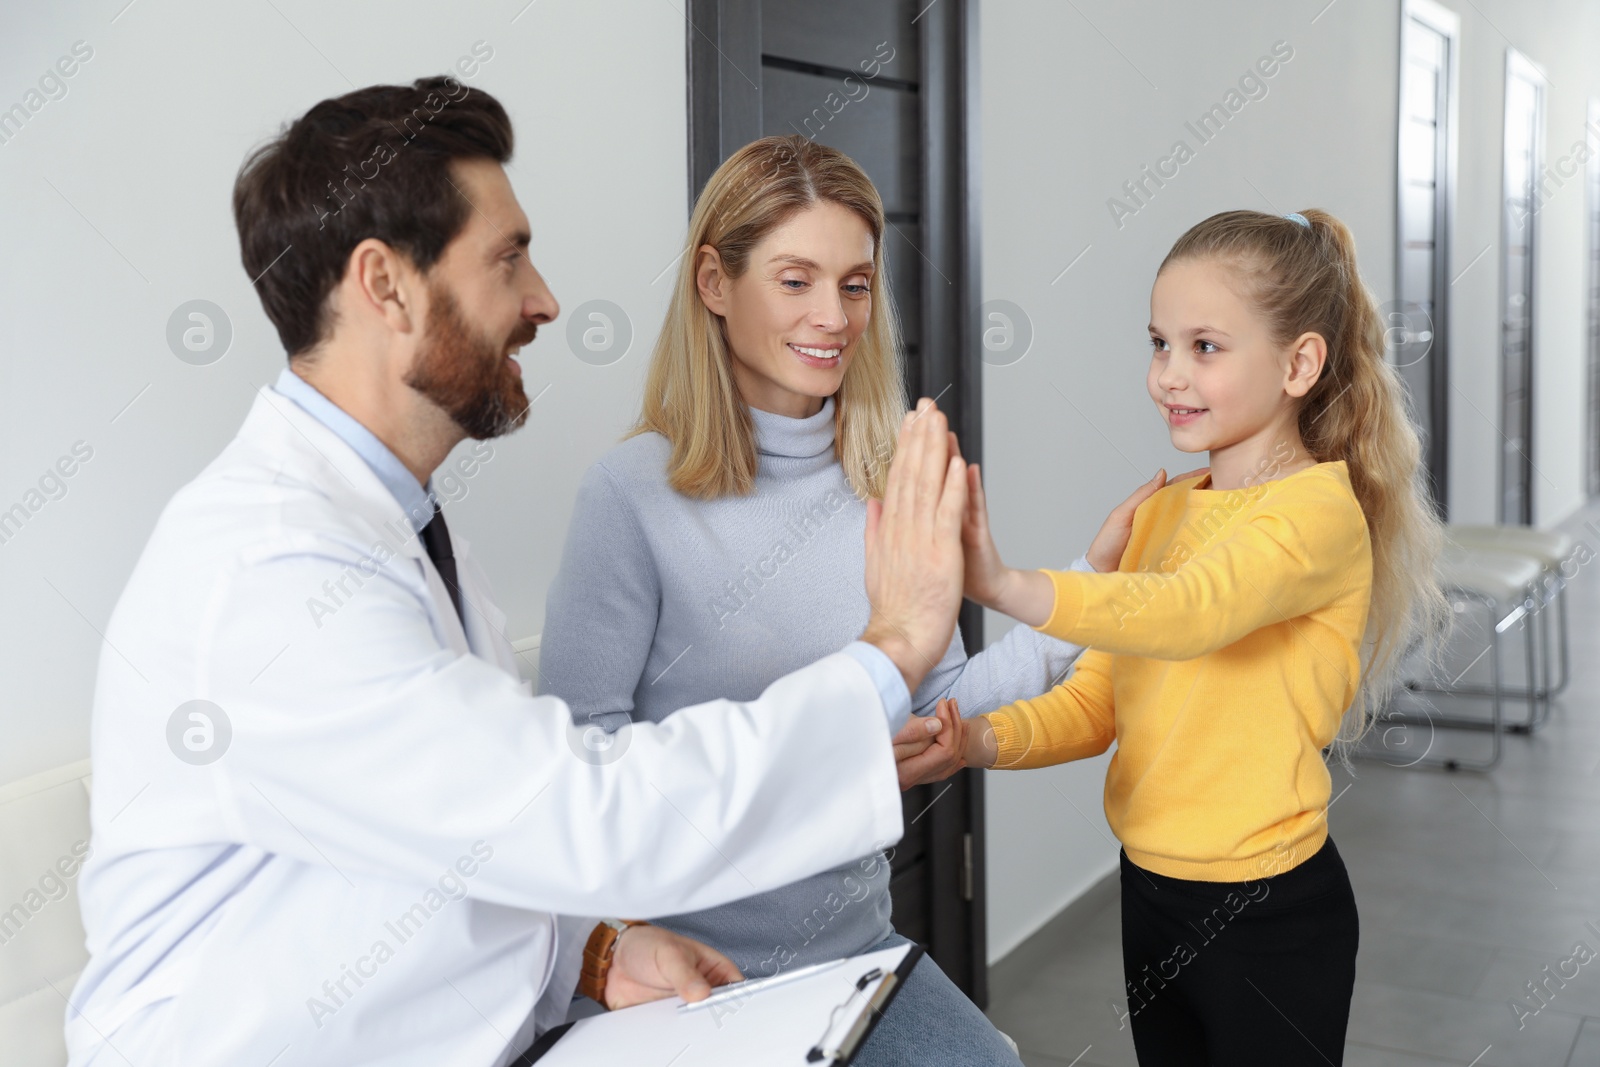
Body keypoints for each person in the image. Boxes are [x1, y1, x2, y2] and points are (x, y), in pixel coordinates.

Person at [64, 78, 974, 1067]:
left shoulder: (393, 525)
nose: (543, 299)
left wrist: (590, 952)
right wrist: (892, 644)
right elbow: (593, 811)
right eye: (508, 259)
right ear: (385, 285)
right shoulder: (270, 572)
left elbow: (458, 840)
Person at [538, 134, 1195, 1067]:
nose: (834, 315)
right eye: (795, 279)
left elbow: (943, 702)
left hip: (848, 954)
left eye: (854, 284)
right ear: (715, 284)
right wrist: (818, 761)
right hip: (680, 977)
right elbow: (585, 768)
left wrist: (1086, 585)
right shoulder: (631, 495)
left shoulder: (885, 477)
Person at [957, 209, 1449, 1064]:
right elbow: (1096, 701)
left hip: (1266, 913)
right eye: (1159, 342)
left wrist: (1008, 585)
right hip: (1152, 891)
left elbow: (1190, 611)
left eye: (1205, 347)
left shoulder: (1316, 515)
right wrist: (975, 738)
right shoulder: (1166, 510)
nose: (1168, 376)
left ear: (1300, 363)